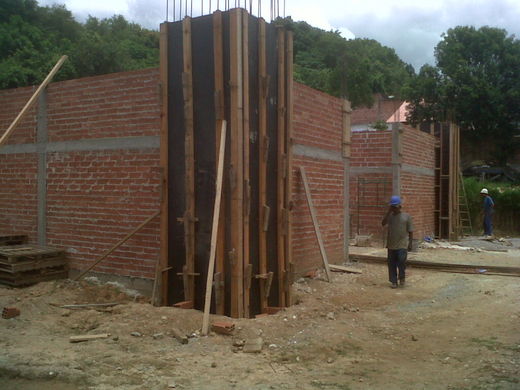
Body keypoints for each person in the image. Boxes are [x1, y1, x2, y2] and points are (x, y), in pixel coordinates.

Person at [382, 195, 414, 289]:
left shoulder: (406, 217)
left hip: (402, 244)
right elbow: (383, 223)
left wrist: (410, 243)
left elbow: (410, 231)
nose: (394, 209)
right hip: (391, 244)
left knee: (401, 262)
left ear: (400, 206)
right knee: (391, 264)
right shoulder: (390, 217)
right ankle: (393, 281)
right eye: (392, 207)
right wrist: (388, 212)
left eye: (395, 207)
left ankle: (402, 278)